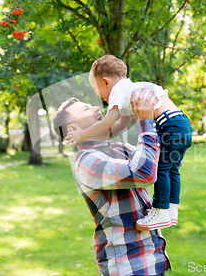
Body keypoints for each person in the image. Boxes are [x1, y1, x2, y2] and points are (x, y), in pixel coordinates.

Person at [65, 55, 192, 231]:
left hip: (167, 124)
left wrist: (83, 134)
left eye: (96, 88)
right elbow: (121, 125)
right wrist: (101, 137)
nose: (97, 95)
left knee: (163, 169)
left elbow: (107, 123)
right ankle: (171, 210)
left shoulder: (117, 93)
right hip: (180, 121)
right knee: (171, 169)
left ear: (106, 82)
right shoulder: (128, 91)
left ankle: (161, 210)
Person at [52, 90, 170, 276]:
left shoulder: (119, 148)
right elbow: (144, 173)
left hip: (152, 259)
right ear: (73, 129)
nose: (97, 108)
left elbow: (158, 161)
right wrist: (145, 121)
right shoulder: (87, 161)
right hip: (129, 266)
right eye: (86, 109)